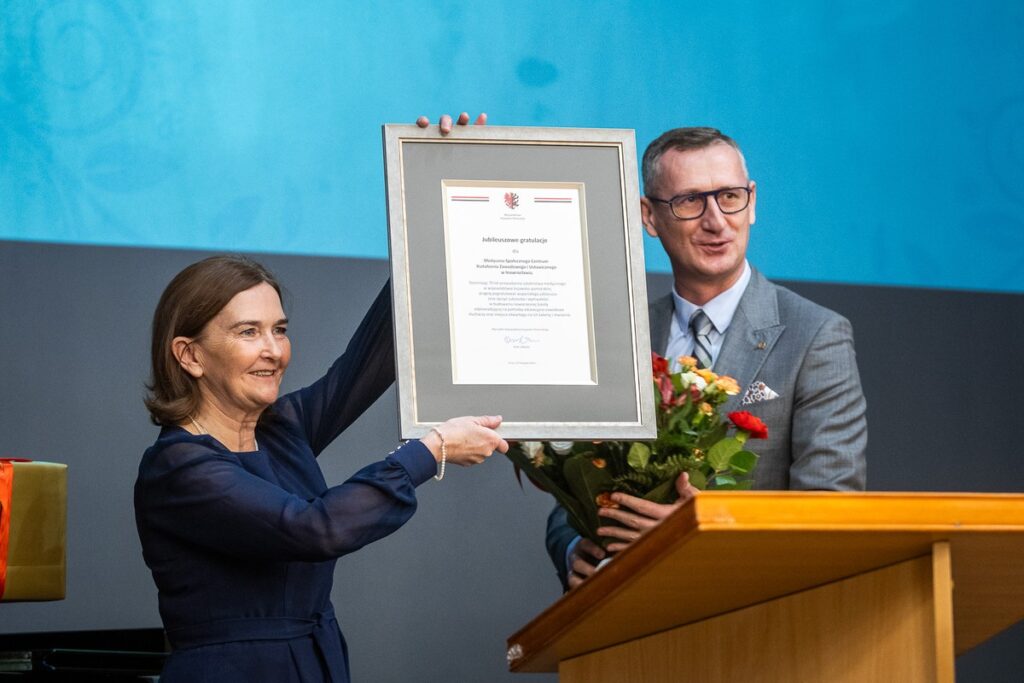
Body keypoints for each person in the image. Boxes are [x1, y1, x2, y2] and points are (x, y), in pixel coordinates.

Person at [546, 126, 868, 590]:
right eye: (691, 201)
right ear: (650, 216)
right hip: (628, 628)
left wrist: (701, 530)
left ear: (752, 202)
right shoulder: (621, 341)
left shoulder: (816, 336)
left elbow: (831, 509)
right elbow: (572, 492)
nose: (716, 220)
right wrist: (576, 549)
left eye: (730, 197)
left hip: (757, 625)